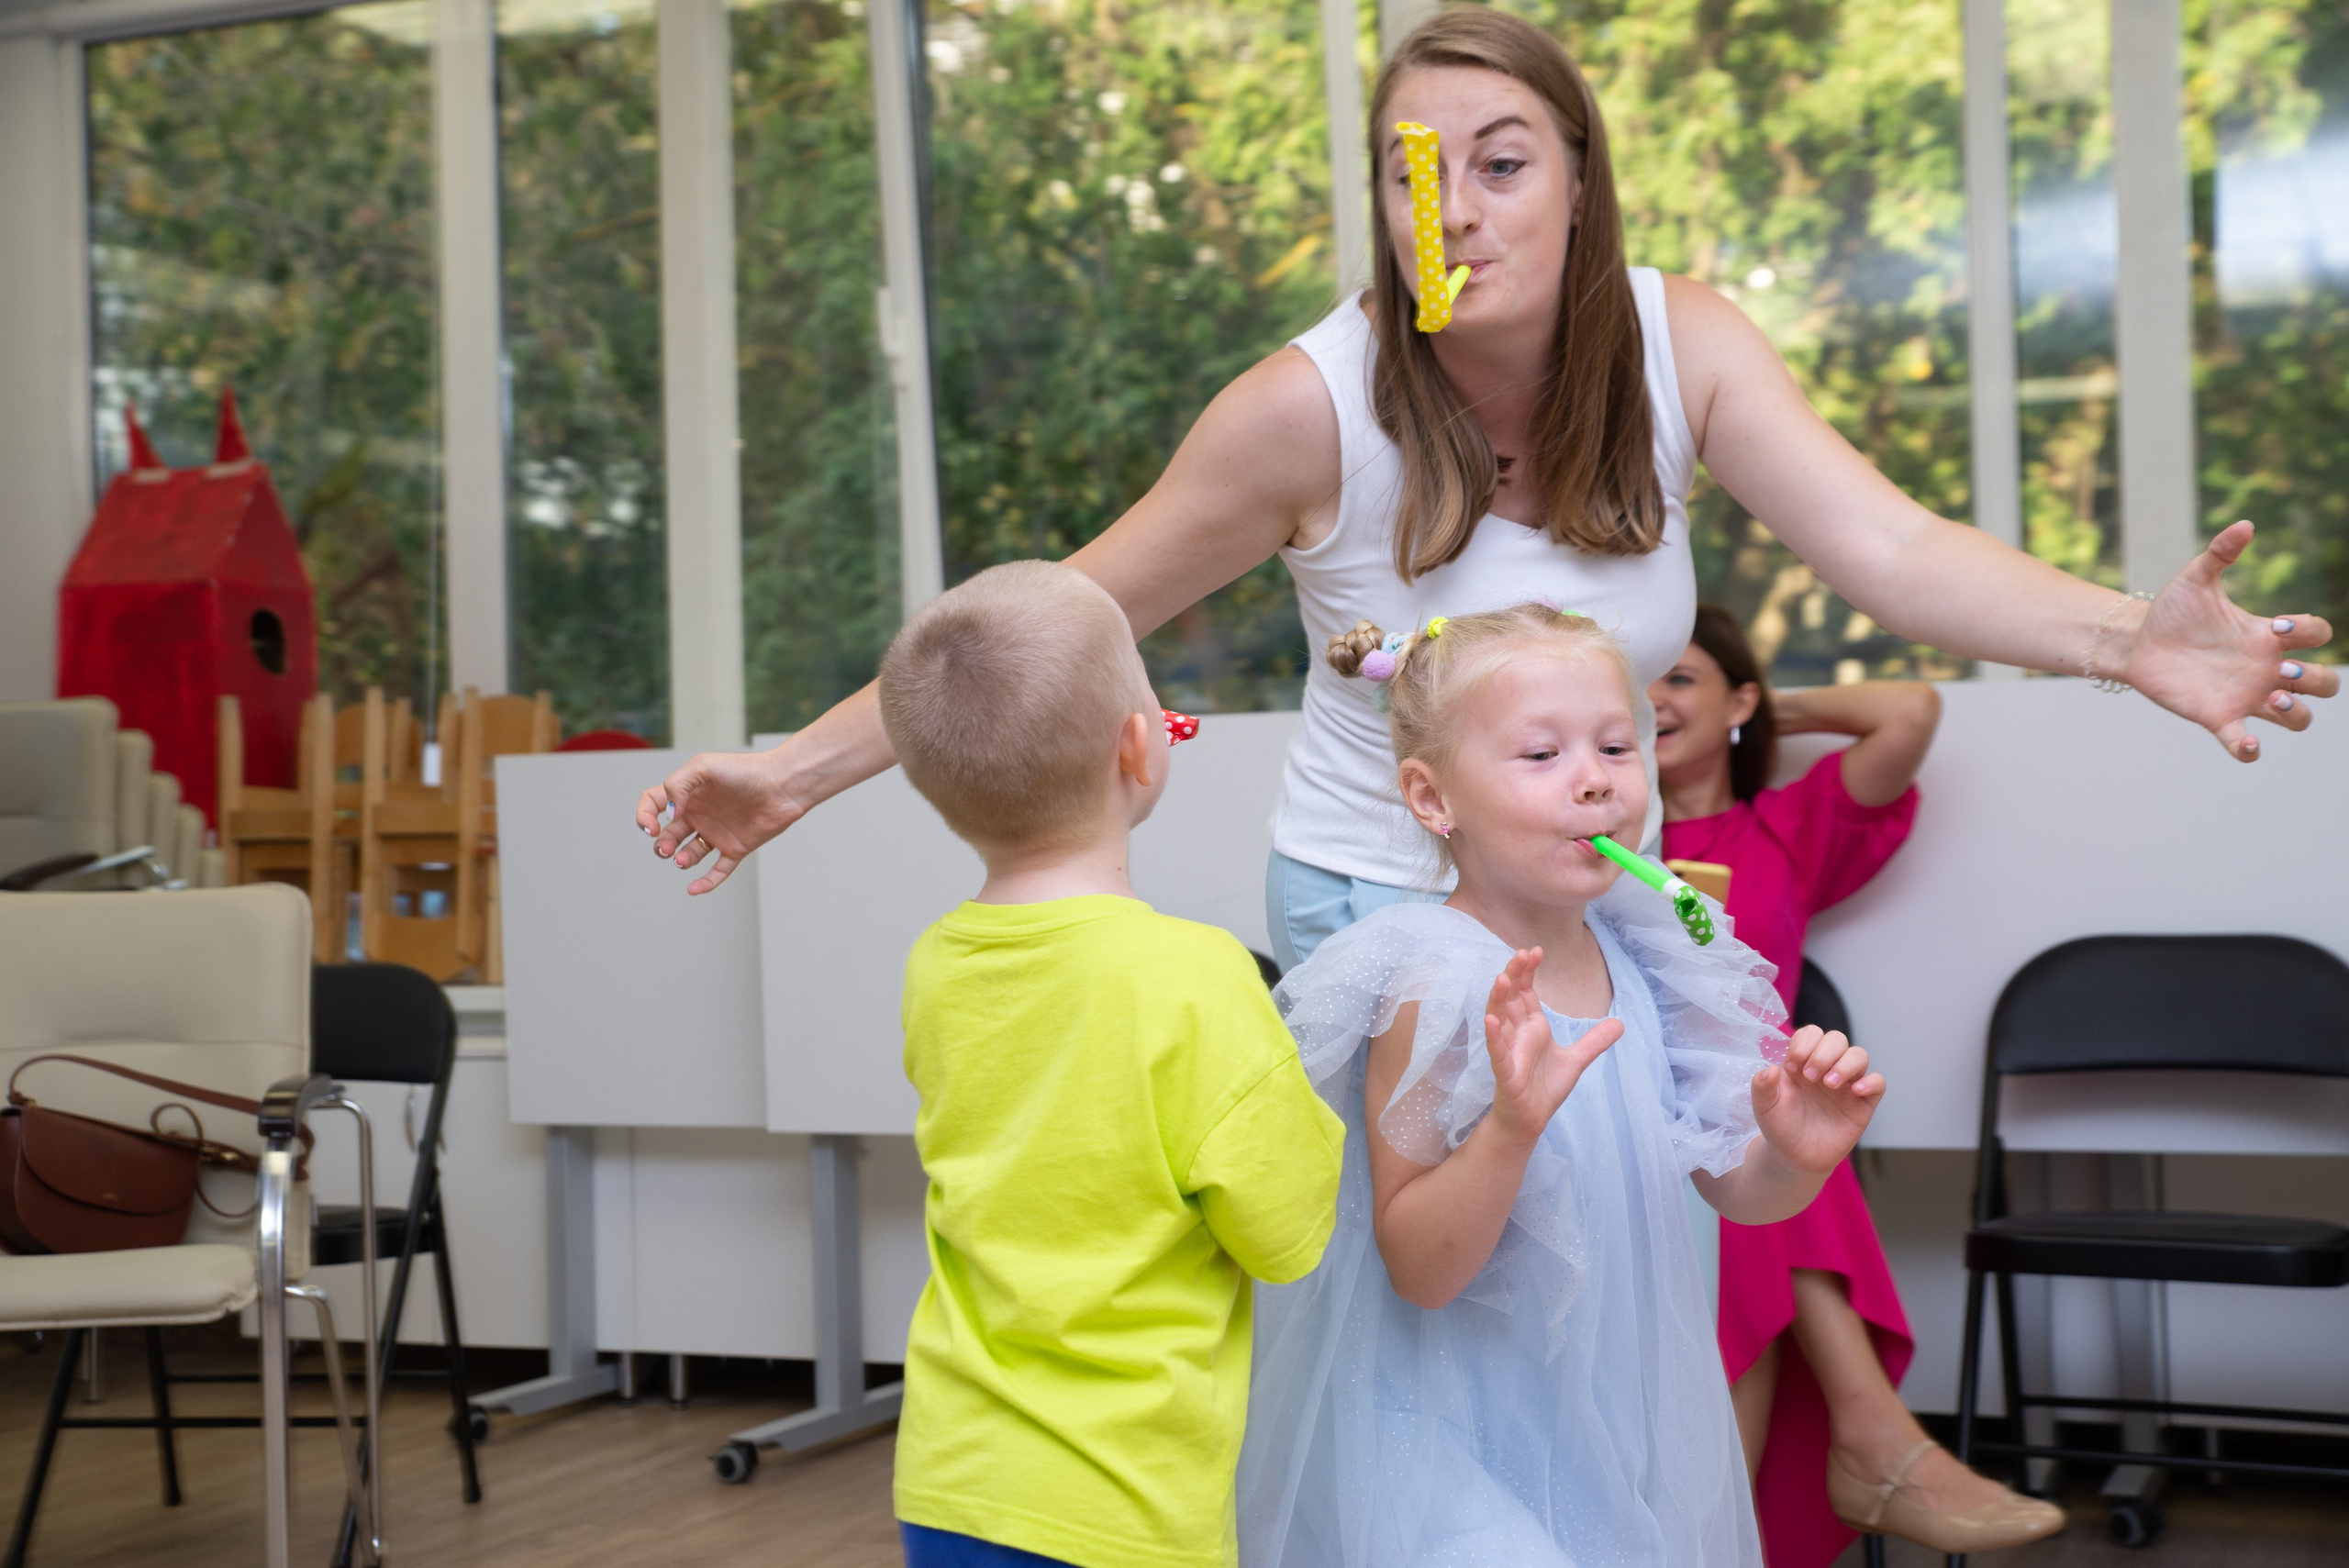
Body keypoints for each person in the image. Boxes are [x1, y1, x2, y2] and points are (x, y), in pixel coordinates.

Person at [640, 10, 2331, 935]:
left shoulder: (1689, 343)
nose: (1455, 208)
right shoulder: (1308, 407)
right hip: (1381, 904)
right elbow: (1059, 615)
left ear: (1581, 182)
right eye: (1412, 175)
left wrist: (2126, 636)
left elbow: (1888, 543)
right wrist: (794, 769)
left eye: (1501, 164)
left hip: (1611, 891)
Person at [1237, 603, 1883, 1566]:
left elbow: (1732, 1191)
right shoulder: (1434, 980)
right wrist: (1508, 1127)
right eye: (1541, 755)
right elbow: (1422, 1268)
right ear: (1431, 796)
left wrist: (1792, 1155)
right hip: (1457, 1438)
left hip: (1614, 1423)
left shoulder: (1657, 956)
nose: (1594, 780)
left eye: (1617, 746)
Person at [877, 561, 1346, 1568]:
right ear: (1139, 745)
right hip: (1124, 1502)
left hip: (952, 1478)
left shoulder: (936, 964)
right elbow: (1286, 1232)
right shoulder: (1196, 975)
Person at [1653, 606, 2063, 1561]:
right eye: (1636, 682)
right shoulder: (1587, 834)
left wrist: (1763, 715)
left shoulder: (1784, 827)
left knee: (1767, 1118)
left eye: (1678, 676)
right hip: (1630, 1117)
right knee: (1768, 1127)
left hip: (1737, 1134)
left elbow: (1908, 709)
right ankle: (1875, 1437)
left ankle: (1730, 1529)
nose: (1652, 698)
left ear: (1737, 697)